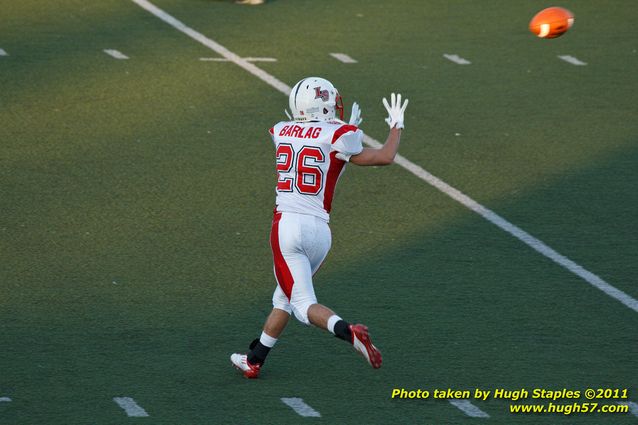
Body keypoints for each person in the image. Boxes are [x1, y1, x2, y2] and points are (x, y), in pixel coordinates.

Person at [231, 77, 408, 378]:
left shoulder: (280, 131)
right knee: (284, 299)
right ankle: (255, 359)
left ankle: (348, 331)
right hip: (320, 233)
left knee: (302, 305)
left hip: (287, 227)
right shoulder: (342, 134)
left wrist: (338, 135)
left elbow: (310, 138)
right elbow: (385, 157)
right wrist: (396, 126)